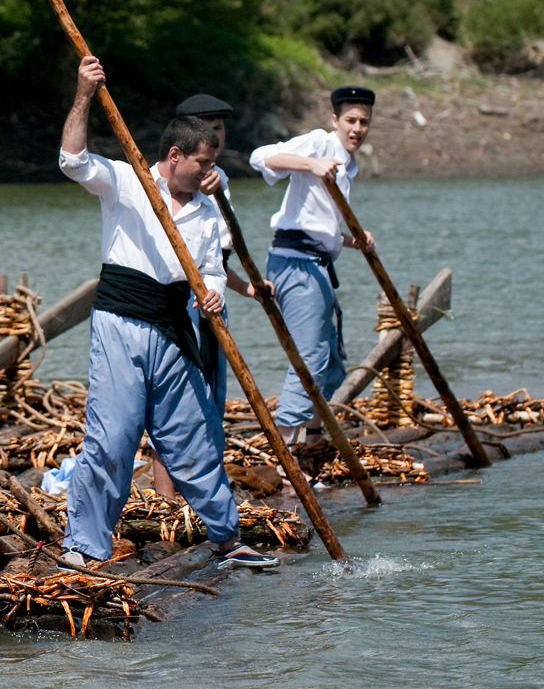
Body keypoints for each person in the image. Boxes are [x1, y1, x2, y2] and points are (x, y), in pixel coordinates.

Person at [58, 56, 278, 570]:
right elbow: (71, 161)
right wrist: (84, 93)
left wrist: (216, 294)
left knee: (193, 441)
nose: (211, 172)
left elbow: (211, 269)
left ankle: (228, 539)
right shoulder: (126, 181)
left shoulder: (208, 208)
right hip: (120, 325)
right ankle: (84, 546)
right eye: (204, 163)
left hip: (174, 330)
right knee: (112, 438)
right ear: (175, 155)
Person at [147, 94, 270, 498]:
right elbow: (183, 261)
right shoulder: (167, 186)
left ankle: (201, 490)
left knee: (208, 402)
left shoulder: (218, 182)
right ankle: (168, 497)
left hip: (210, 301)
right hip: (176, 304)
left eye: (220, 128)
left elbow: (214, 259)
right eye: (208, 128)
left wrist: (246, 289)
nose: (215, 136)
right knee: (171, 403)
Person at [249, 85, 376, 447]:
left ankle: (314, 439)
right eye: (350, 120)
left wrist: (355, 241)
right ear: (335, 120)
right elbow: (262, 157)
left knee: (332, 362)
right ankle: (286, 453)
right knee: (310, 358)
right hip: (294, 264)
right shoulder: (320, 144)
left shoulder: (348, 164)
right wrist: (311, 164)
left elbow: (321, 227)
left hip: (317, 264)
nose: (357, 128)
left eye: (364, 122)